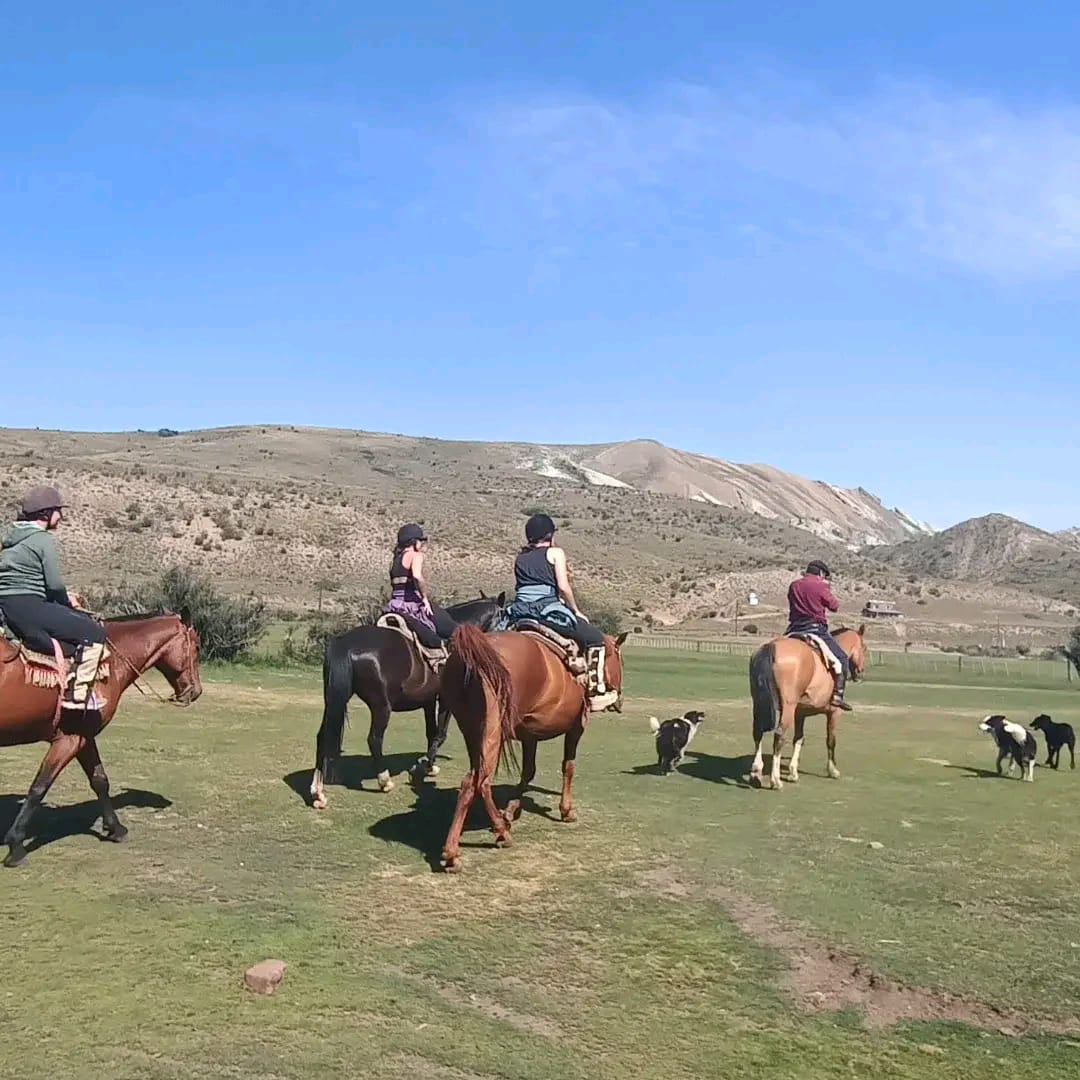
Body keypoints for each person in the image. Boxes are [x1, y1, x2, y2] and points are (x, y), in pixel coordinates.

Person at [0, 485, 107, 715]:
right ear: (45, 514)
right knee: (94, 633)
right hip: (31, 605)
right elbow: (54, 584)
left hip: (7, 606)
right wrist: (68, 602)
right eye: (58, 510)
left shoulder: (10, 538)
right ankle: (78, 696)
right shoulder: (42, 539)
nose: (61, 516)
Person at [505, 513, 608, 702]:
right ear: (549, 535)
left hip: (520, 611)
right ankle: (596, 688)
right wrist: (576, 610)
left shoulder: (520, 558)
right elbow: (563, 587)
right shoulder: (556, 553)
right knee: (595, 639)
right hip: (546, 610)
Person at [786, 559, 851, 711]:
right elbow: (834, 606)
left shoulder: (794, 585)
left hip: (794, 628)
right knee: (842, 658)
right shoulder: (821, 585)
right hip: (814, 629)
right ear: (821, 573)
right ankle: (837, 695)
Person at [383, 523, 457, 649]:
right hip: (410, 605)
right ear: (414, 542)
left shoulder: (395, 560)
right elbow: (417, 576)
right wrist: (425, 599)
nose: (421, 544)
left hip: (394, 605)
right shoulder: (416, 556)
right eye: (420, 541)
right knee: (450, 632)